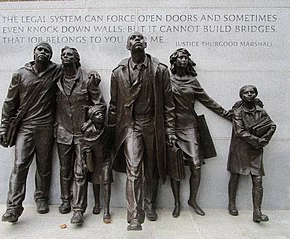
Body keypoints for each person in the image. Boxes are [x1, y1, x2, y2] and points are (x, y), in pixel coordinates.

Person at [108, 32, 176, 231]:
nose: (137, 40)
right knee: (134, 170)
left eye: (140, 37)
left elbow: (169, 105)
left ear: (146, 43)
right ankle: (135, 215)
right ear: (127, 45)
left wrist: (170, 131)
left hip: (153, 125)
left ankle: (149, 203)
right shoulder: (118, 73)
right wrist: (111, 132)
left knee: (153, 167)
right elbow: (113, 105)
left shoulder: (160, 70)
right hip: (130, 126)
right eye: (132, 38)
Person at [0, 42, 60, 223]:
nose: (43, 52)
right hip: (25, 127)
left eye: (47, 51)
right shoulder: (20, 74)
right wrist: (3, 127)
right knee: (19, 165)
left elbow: (74, 71)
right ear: (33, 53)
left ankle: (41, 198)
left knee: (44, 165)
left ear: (50, 56)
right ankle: (13, 207)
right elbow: (10, 103)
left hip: (46, 126)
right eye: (40, 49)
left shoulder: (56, 71)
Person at [168, 48, 230, 218]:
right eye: (180, 57)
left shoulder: (192, 82)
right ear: (174, 61)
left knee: (196, 166)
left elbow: (207, 100)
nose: (183, 60)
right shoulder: (167, 80)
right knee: (176, 167)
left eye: (186, 57)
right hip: (172, 127)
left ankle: (192, 200)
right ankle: (176, 203)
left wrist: (226, 114)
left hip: (190, 126)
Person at [54, 46, 105, 223]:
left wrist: (90, 121)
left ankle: (78, 210)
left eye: (69, 55)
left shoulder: (87, 80)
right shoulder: (56, 79)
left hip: (82, 135)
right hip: (63, 131)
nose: (65, 57)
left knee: (80, 171)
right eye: (63, 54)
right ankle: (65, 200)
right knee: (64, 169)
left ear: (76, 59)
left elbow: (100, 105)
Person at [227, 85, 276, 223]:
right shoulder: (238, 112)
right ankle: (231, 204)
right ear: (242, 95)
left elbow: (272, 125)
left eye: (252, 92)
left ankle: (257, 212)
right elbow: (239, 131)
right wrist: (257, 140)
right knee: (235, 176)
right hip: (239, 150)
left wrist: (264, 140)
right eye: (246, 92)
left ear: (255, 94)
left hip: (255, 151)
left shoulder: (261, 111)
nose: (249, 94)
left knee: (258, 180)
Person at [80, 105, 113, 224]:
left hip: (105, 160)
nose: (101, 116)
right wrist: (84, 162)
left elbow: (110, 143)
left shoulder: (107, 129)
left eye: (101, 114)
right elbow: (83, 147)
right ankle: (97, 204)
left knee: (106, 182)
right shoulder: (89, 131)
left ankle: (107, 209)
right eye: (97, 114)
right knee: (95, 182)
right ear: (92, 118)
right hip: (93, 160)